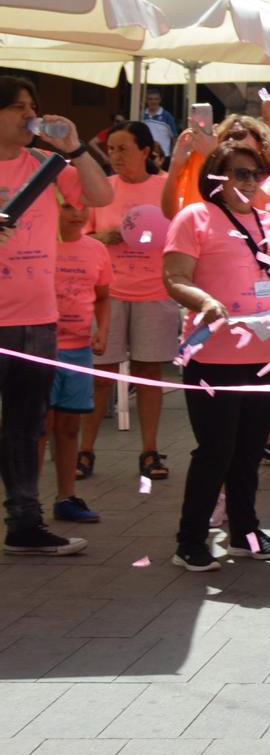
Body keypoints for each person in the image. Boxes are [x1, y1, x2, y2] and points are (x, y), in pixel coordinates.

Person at [161, 141, 270, 571]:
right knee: (216, 450)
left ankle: (245, 532)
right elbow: (173, 277)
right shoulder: (195, 217)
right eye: (239, 173)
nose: (250, 182)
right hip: (214, 357)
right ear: (217, 178)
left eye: (256, 174)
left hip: (266, 355)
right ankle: (190, 540)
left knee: (247, 450)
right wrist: (203, 299)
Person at [0, 76, 112, 556]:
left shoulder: (45, 165)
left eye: (32, 106)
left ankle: (25, 524)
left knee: (27, 425)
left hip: (38, 321)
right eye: (17, 107)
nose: (29, 115)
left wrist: (75, 148)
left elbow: (101, 197)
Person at [80, 122, 175, 483]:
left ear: (146, 150)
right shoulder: (101, 188)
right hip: (108, 295)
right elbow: (80, 234)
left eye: (123, 148)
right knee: (100, 378)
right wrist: (100, 238)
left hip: (155, 292)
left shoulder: (166, 187)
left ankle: (150, 451)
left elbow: (180, 234)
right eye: (112, 149)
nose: (115, 156)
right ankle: (85, 450)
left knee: (149, 375)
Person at [46, 192, 111, 525]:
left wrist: (102, 330)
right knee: (40, 427)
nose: (76, 214)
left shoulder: (96, 250)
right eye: (68, 206)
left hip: (79, 351)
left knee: (70, 426)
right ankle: (25, 504)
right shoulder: (39, 245)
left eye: (82, 206)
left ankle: (66, 497)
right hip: (40, 351)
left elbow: (102, 297)